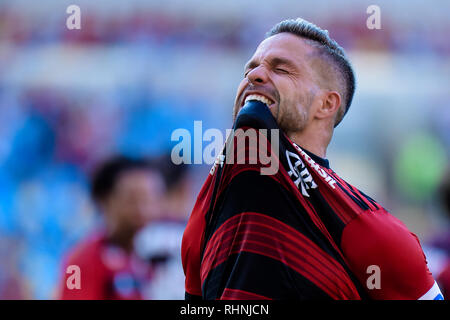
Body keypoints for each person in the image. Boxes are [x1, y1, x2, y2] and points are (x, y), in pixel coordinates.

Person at [181, 18, 444, 300]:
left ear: (326, 104)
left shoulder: (372, 233)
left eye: (281, 68)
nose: (254, 76)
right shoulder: (205, 213)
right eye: (251, 68)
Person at [59, 156, 165, 299]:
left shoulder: (171, 256)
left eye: (150, 200)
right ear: (104, 201)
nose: (143, 210)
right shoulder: (81, 263)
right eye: (132, 200)